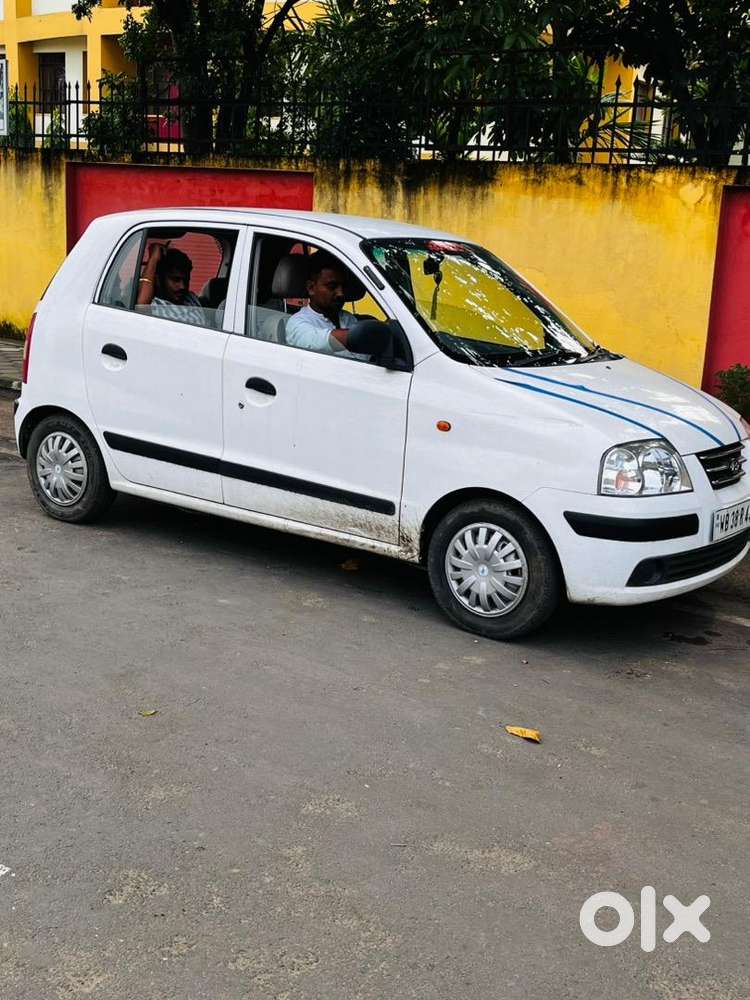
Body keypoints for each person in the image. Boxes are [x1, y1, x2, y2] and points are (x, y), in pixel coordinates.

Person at [285, 253, 369, 360]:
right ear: (311, 288)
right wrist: (368, 335)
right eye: (332, 286)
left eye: (343, 287)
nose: (340, 293)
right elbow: (317, 342)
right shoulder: (297, 323)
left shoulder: (349, 319)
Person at [136, 242, 207, 326]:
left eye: (186, 280)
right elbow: (141, 307)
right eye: (175, 280)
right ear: (159, 279)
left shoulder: (191, 298)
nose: (182, 286)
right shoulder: (155, 305)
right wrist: (154, 259)